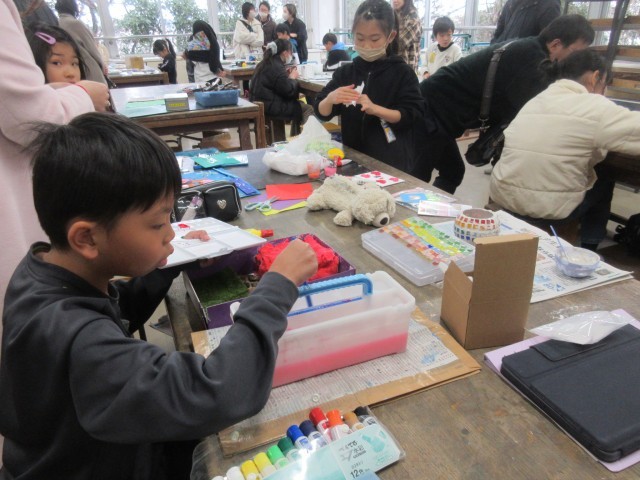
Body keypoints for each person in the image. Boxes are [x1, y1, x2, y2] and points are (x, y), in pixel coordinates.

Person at [0, 112, 318, 479]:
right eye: (157, 223)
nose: (170, 232)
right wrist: (277, 286)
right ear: (86, 238)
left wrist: (170, 261)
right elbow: (217, 391)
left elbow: (114, 308)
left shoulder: (43, 274)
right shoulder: (79, 341)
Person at [0, 0, 109, 460]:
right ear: (86, 236)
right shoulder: (83, 331)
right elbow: (27, 115)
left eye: (73, 64)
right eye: (156, 221)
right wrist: (82, 96)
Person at [418, 14, 595, 194]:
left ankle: (425, 209)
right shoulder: (532, 61)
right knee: (417, 178)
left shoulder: (531, 49)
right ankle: (411, 209)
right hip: (430, 110)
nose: (577, 60)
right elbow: (532, 113)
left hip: (441, 112)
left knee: (452, 172)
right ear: (556, 44)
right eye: (576, 53)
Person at [490, 50, 640, 251]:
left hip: (504, 196)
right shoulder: (593, 105)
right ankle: (588, 250)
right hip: (547, 208)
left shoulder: (537, 99)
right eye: (604, 84)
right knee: (604, 180)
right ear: (595, 77)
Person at [314, 0, 426, 175]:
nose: (366, 45)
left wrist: (376, 109)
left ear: (390, 36)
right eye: (360, 38)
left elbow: (412, 114)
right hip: (353, 160)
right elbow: (322, 111)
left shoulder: (402, 73)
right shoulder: (346, 72)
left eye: (374, 39)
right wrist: (330, 99)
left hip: (391, 165)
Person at [250, 39, 313, 124]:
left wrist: (286, 77)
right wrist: (292, 78)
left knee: (299, 104)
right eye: (290, 52)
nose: (291, 55)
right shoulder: (276, 66)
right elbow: (288, 92)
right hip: (270, 108)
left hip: (260, 103)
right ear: (285, 53)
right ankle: (308, 132)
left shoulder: (265, 63)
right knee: (308, 108)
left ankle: (296, 132)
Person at [55, 0, 108, 86]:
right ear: (74, 8)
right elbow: (92, 49)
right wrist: (102, 66)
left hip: (70, 74)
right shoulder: (75, 23)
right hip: (89, 70)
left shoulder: (55, 24)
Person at [492, 0, 561, 44]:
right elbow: (498, 32)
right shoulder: (510, 3)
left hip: (524, 61)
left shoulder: (548, 4)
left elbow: (550, 43)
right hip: (500, 59)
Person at [392, 0, 422, 72]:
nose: (395, 0)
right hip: (393, 62)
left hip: (407, 64)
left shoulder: (413, 17)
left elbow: (401, 43)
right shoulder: (392, 14)